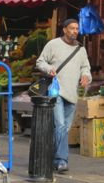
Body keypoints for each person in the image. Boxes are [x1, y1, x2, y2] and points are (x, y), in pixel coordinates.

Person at [36, 19, 91, 173]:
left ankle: (50, 157)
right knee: (60, 126)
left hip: (72, 93)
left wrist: (86, 76)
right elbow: (40, 62)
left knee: (64, 129)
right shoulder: (53, 45)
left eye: (77, 29)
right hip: (56, 93)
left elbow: (85, 67)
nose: (75, 31)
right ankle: (62, 160)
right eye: (72, 28)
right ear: (65, 30)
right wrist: (49, 69)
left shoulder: (81, 49)